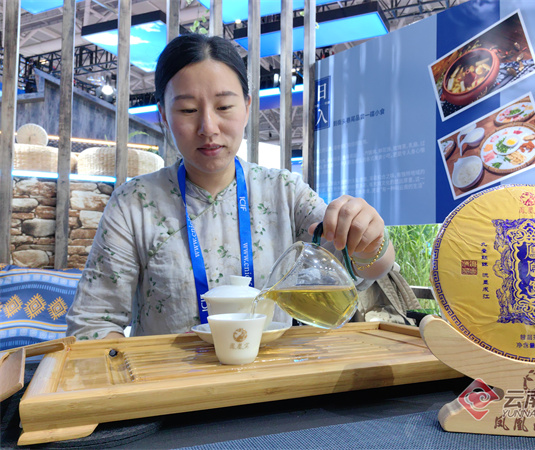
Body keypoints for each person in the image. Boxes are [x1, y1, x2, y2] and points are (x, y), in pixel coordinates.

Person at [66, 33, 395, 340]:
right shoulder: (134, 204)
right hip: (171, 382)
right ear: (164, 115)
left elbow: (363, 268)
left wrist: (369, 242)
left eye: (224, 107)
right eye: (188, 110)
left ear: (247, 107)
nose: (208, 127)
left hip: (271, 378)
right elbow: (93, 322)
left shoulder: (283, 191)